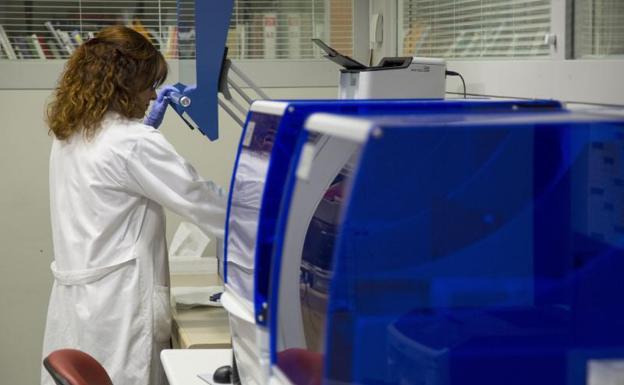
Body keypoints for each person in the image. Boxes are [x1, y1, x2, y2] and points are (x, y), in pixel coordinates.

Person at [41, 26, 226, 385]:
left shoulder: (71, 133)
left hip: (81, 306)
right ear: (123, 85)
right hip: (121, 309)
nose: (154, 95)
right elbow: (204, 202)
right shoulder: (132, 143)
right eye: (148, 84)